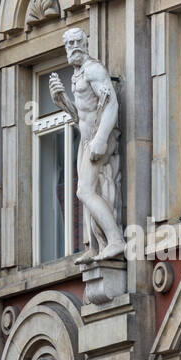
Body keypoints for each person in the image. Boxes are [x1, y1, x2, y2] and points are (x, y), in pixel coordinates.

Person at [49, 28, 125, 261]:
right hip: (86, 138)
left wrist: (101, 138)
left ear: (84, 44)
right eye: (68, 44)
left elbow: (111, 105)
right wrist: (61, 101)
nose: (72, 47)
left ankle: (115, 240)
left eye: (76, 42)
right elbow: (80, 115)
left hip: (100, 137)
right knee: (86, 190)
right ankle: (95, 246)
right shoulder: (77, 75)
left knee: (85, 190)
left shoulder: (93, 70)